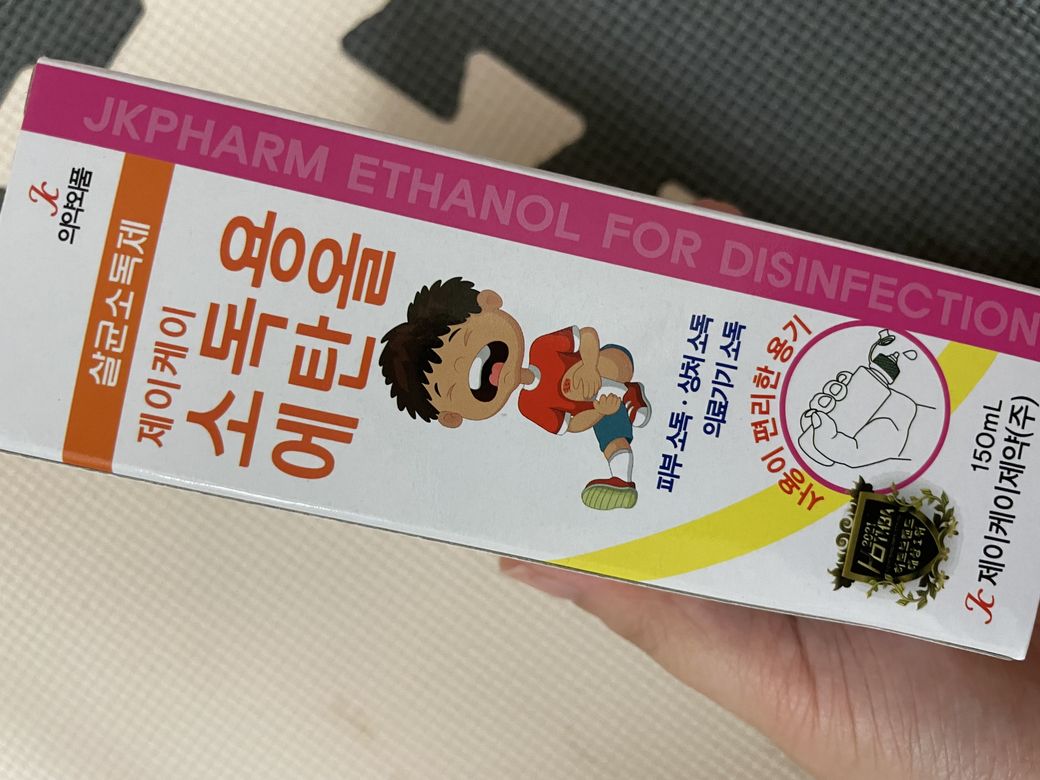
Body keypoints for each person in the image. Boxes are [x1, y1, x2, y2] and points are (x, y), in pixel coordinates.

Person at [505, 199, 1039, 779]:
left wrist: (597, 367)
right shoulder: (531, 409)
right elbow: (572, 424)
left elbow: (591, 336)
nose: (498, 375)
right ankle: (626, 466)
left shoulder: (547, 336)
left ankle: (879, 400)